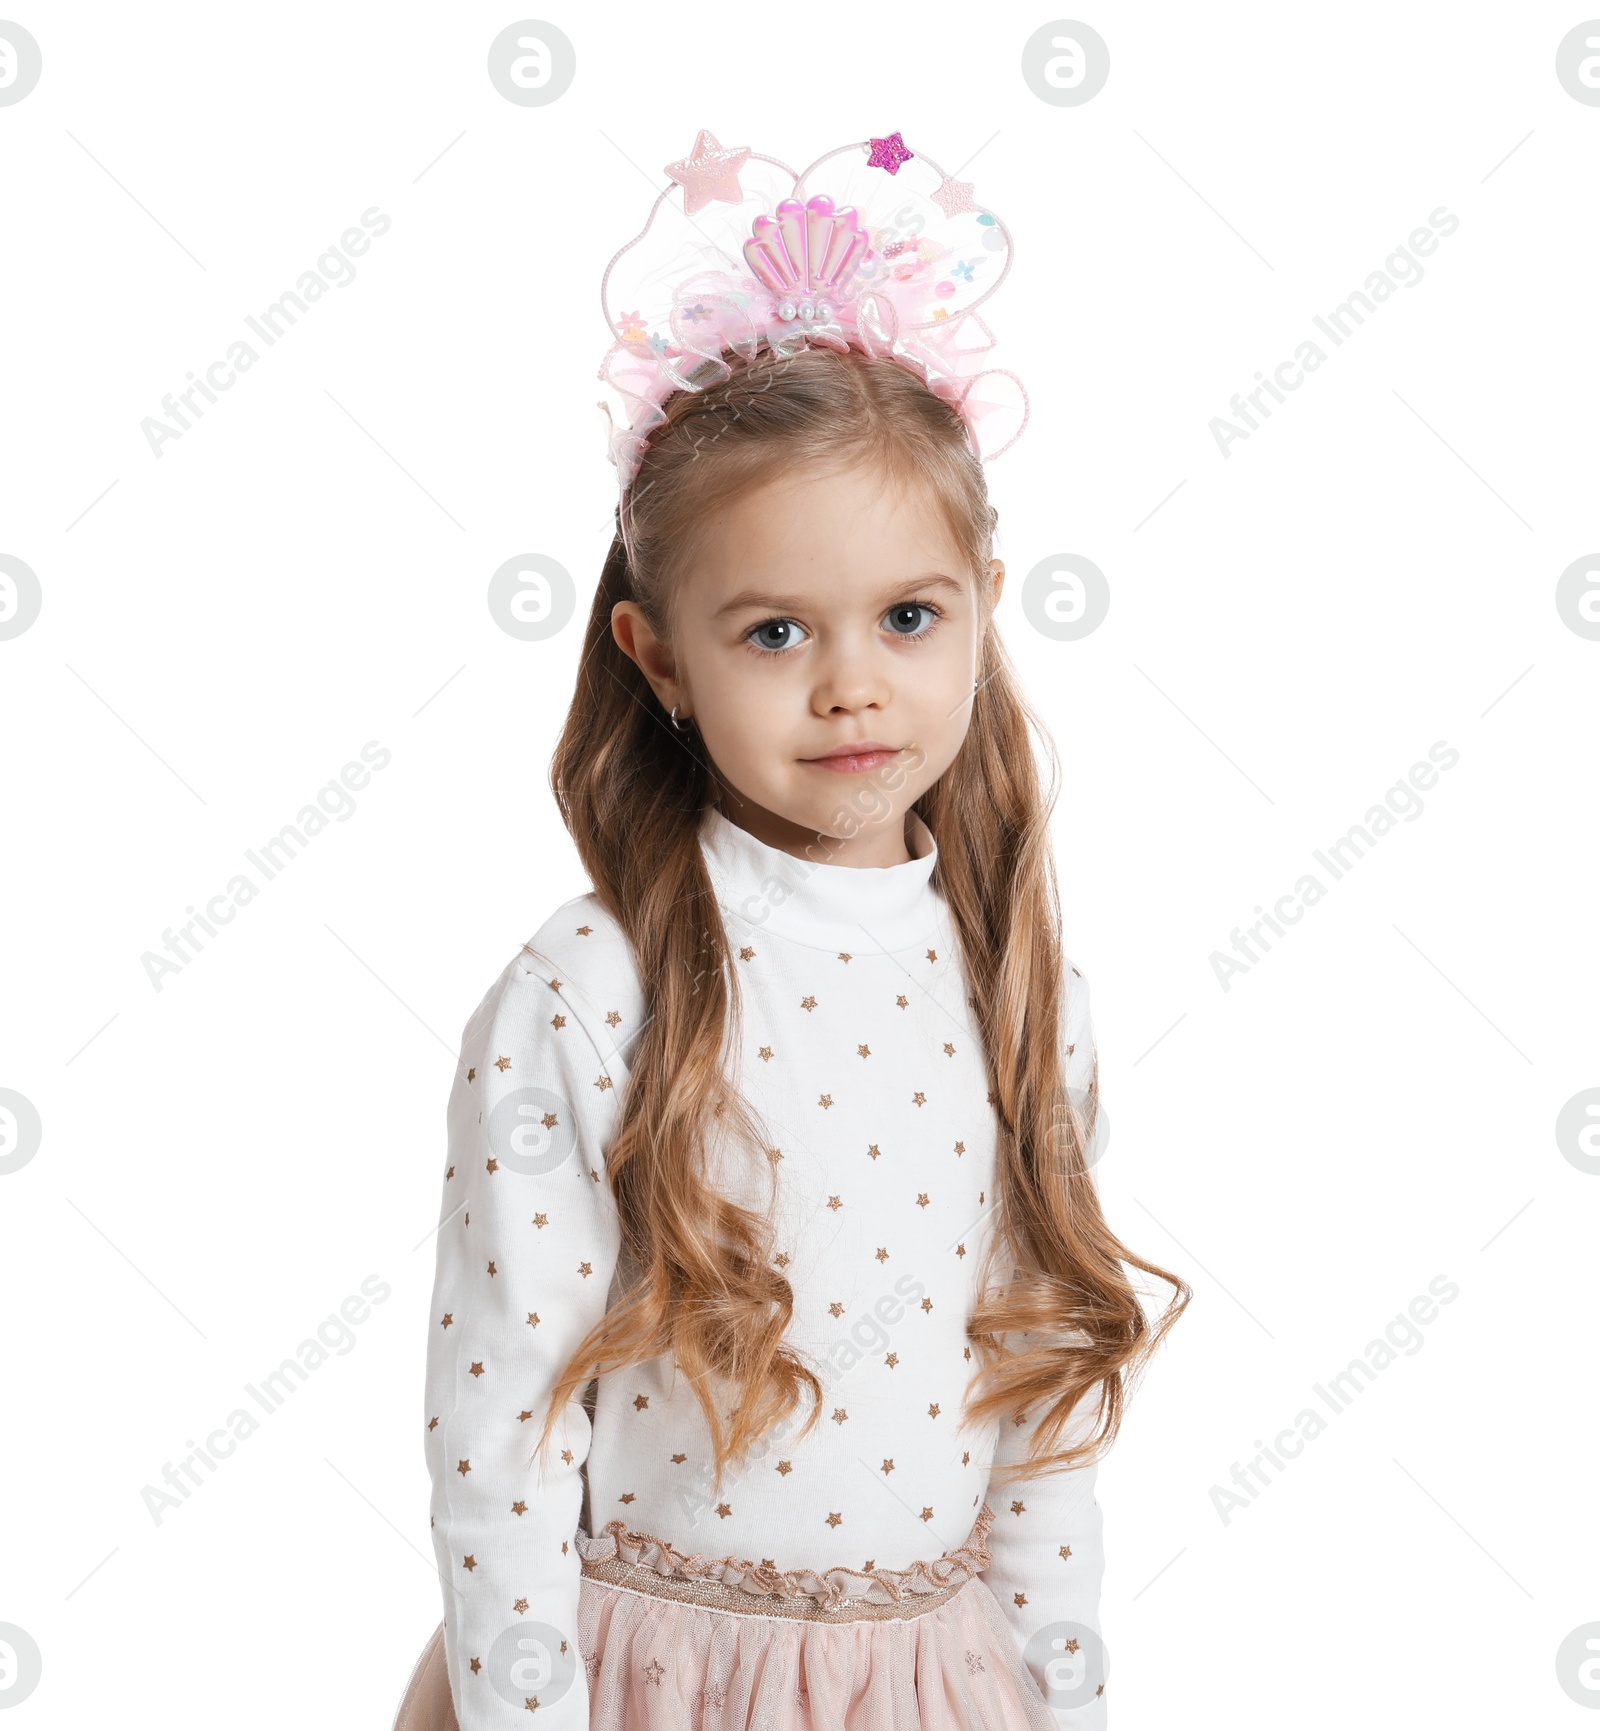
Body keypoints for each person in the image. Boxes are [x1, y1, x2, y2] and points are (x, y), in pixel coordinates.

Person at [408, 129, 1189, 1731]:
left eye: (909, 617)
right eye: (775, 631)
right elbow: (501, 1426)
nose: (852, 682)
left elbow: (1035, 1414)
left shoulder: (1021, 991)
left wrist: (1061, 1693)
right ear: (659, 656)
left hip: (928, 1684)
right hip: (644, 1682)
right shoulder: (597, 986)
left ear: (983, 595)